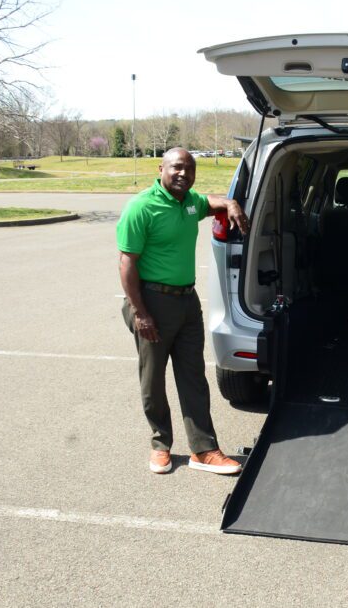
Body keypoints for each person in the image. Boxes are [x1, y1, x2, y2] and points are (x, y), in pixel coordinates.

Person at [116, 147, 249, 475]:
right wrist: (140, 313)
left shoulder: (189, 202)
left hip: (187, 302)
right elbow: (126, 263)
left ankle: (204, 450)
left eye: (189, 169)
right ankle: (160, 444)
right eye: (176, 167)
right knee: (153, 379)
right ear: (161, 168)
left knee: (193, 377)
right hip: (152, 302)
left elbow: (209, 202)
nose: (183, 174)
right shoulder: (141, 207)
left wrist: (230, 203)